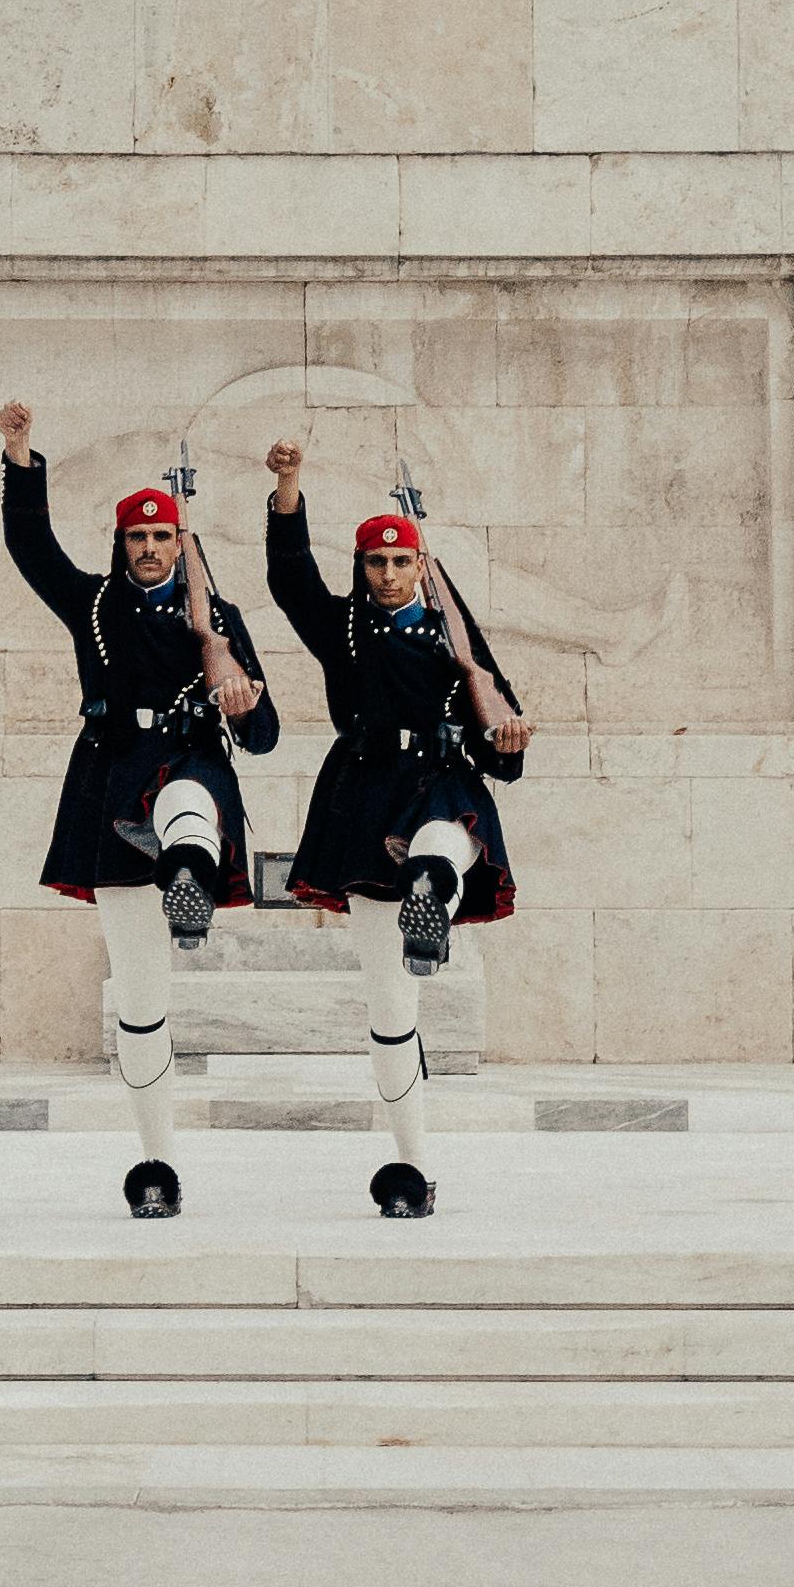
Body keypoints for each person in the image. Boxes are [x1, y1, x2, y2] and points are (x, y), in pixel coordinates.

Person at [0, 402, 281, 1220]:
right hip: (112, 787)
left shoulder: (218, 622)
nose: (149, 549)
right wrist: (20, 458)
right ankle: (157, 1159)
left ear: (180, 546)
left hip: (191, 766)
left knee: (188, 807)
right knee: (141, 1000)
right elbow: (30, 548)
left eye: (161, 538)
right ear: (120, 546)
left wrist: (243, 699)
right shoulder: (92, 607)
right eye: (135, 538)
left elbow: (262, 739)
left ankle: (187, 871)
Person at [259, 438, 529, 1222]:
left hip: (440, 781)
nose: (385, 576)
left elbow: (499, 749)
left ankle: (429, 893)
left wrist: (508, 741)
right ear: (363, 569)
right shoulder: (343, 630)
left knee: (446, 838)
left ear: (419, 566)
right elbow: (287, 580)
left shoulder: (460, 642)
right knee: (390, 1009)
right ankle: (413, 1165)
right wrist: (289, 487)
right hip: (366, 795)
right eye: (374, 564)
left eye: (399, 563)